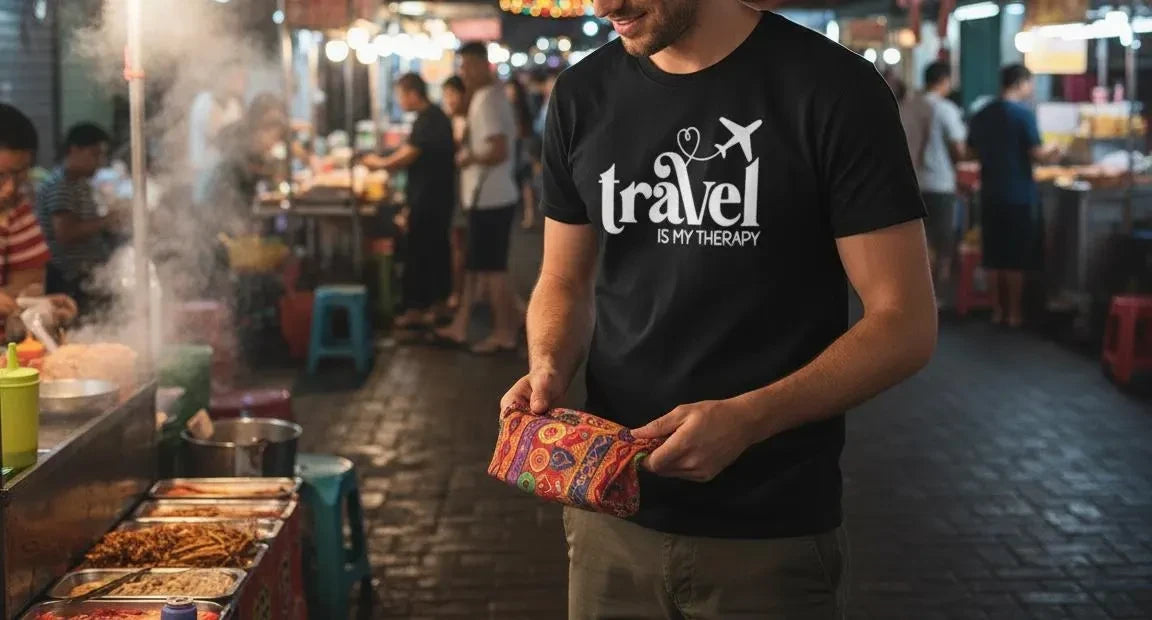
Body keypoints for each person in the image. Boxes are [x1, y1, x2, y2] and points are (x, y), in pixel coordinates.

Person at [500, 1, 937, 618]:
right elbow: (563, 279)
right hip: (610, 511)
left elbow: (905, 325)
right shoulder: (582, 93)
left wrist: (749, 419)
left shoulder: (833, 89)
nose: (605, 7)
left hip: (769, 532)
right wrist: (548, 363)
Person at [434, 42, 522, 354]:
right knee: (480, 267)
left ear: (482, 65)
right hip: (490, 198)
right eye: (462, 67)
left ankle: (504, 333)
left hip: (490, 198)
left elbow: (498, 150)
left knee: (492, 270)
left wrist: (467, 158)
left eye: (468, 66)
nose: (464, 73)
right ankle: (466, 326)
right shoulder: (490, 96)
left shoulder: (486, 100)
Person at [968, 64, 1061, 328]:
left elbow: (970, 151)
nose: (1031, 89)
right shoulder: (1022, 114)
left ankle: (997, 310)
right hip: (1018, 194)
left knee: (994, 255)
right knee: (1015, 257)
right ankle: (1015, 313)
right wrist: (1056, 150)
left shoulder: (983, 113)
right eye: (1030, 83)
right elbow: (1037, 153)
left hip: (990, 192)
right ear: (1020, 83)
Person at [362, 73, 456, 328]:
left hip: (430, 198)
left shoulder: (430, 119)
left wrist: (379, 164)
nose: (400, 100)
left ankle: (422, 310)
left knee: (424, 251)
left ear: (413, 93)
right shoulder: (430, 118)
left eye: (401, 95)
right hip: (432, 196)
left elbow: (409, 154)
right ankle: (432, 306)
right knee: (430, 250)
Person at [0, 104, 77, 329]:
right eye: (0, 176)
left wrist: (41, 309)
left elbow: (24, 291)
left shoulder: (17, 215)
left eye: (20, 174)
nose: (10, 189)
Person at [35, 123, 119, 315]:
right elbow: (65, 233)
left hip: (86, 277)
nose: (100, 162)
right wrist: (107, 220)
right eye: (95, 154)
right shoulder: (61, 185)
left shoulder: (79, 183)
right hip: (70, 281)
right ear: (74, 150)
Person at [919, 61, 967, 304]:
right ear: (944, 80)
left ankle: (917, 296)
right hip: (939, 184)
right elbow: (959, 148)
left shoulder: (907, 106)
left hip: (911, 184)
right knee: (943, 241)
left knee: (920, 242)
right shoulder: (945, 109)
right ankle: (936, 297)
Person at [189, 66, 246, 203]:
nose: (244, 83)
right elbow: (215, 135)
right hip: (207, 169)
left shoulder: (234, 103)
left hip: (227, 172)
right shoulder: (205, 101)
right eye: (240, 78)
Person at [442, 76, 470, 312]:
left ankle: (459, 293)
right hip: (455, 188)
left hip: (462, 190)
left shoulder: (464, 121)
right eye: (446, 95)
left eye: (452, 94)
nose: (449, 100)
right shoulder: (452, 120)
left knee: (459, 243)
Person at [505, 79, 539, 230]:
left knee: (527, 184)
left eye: (513, 91)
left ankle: (530, 216)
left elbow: (528, 132)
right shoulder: (506, 108)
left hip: (523, 150)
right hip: (513, 149)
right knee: (519, 183)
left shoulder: (523, 109)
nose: (510, 94)